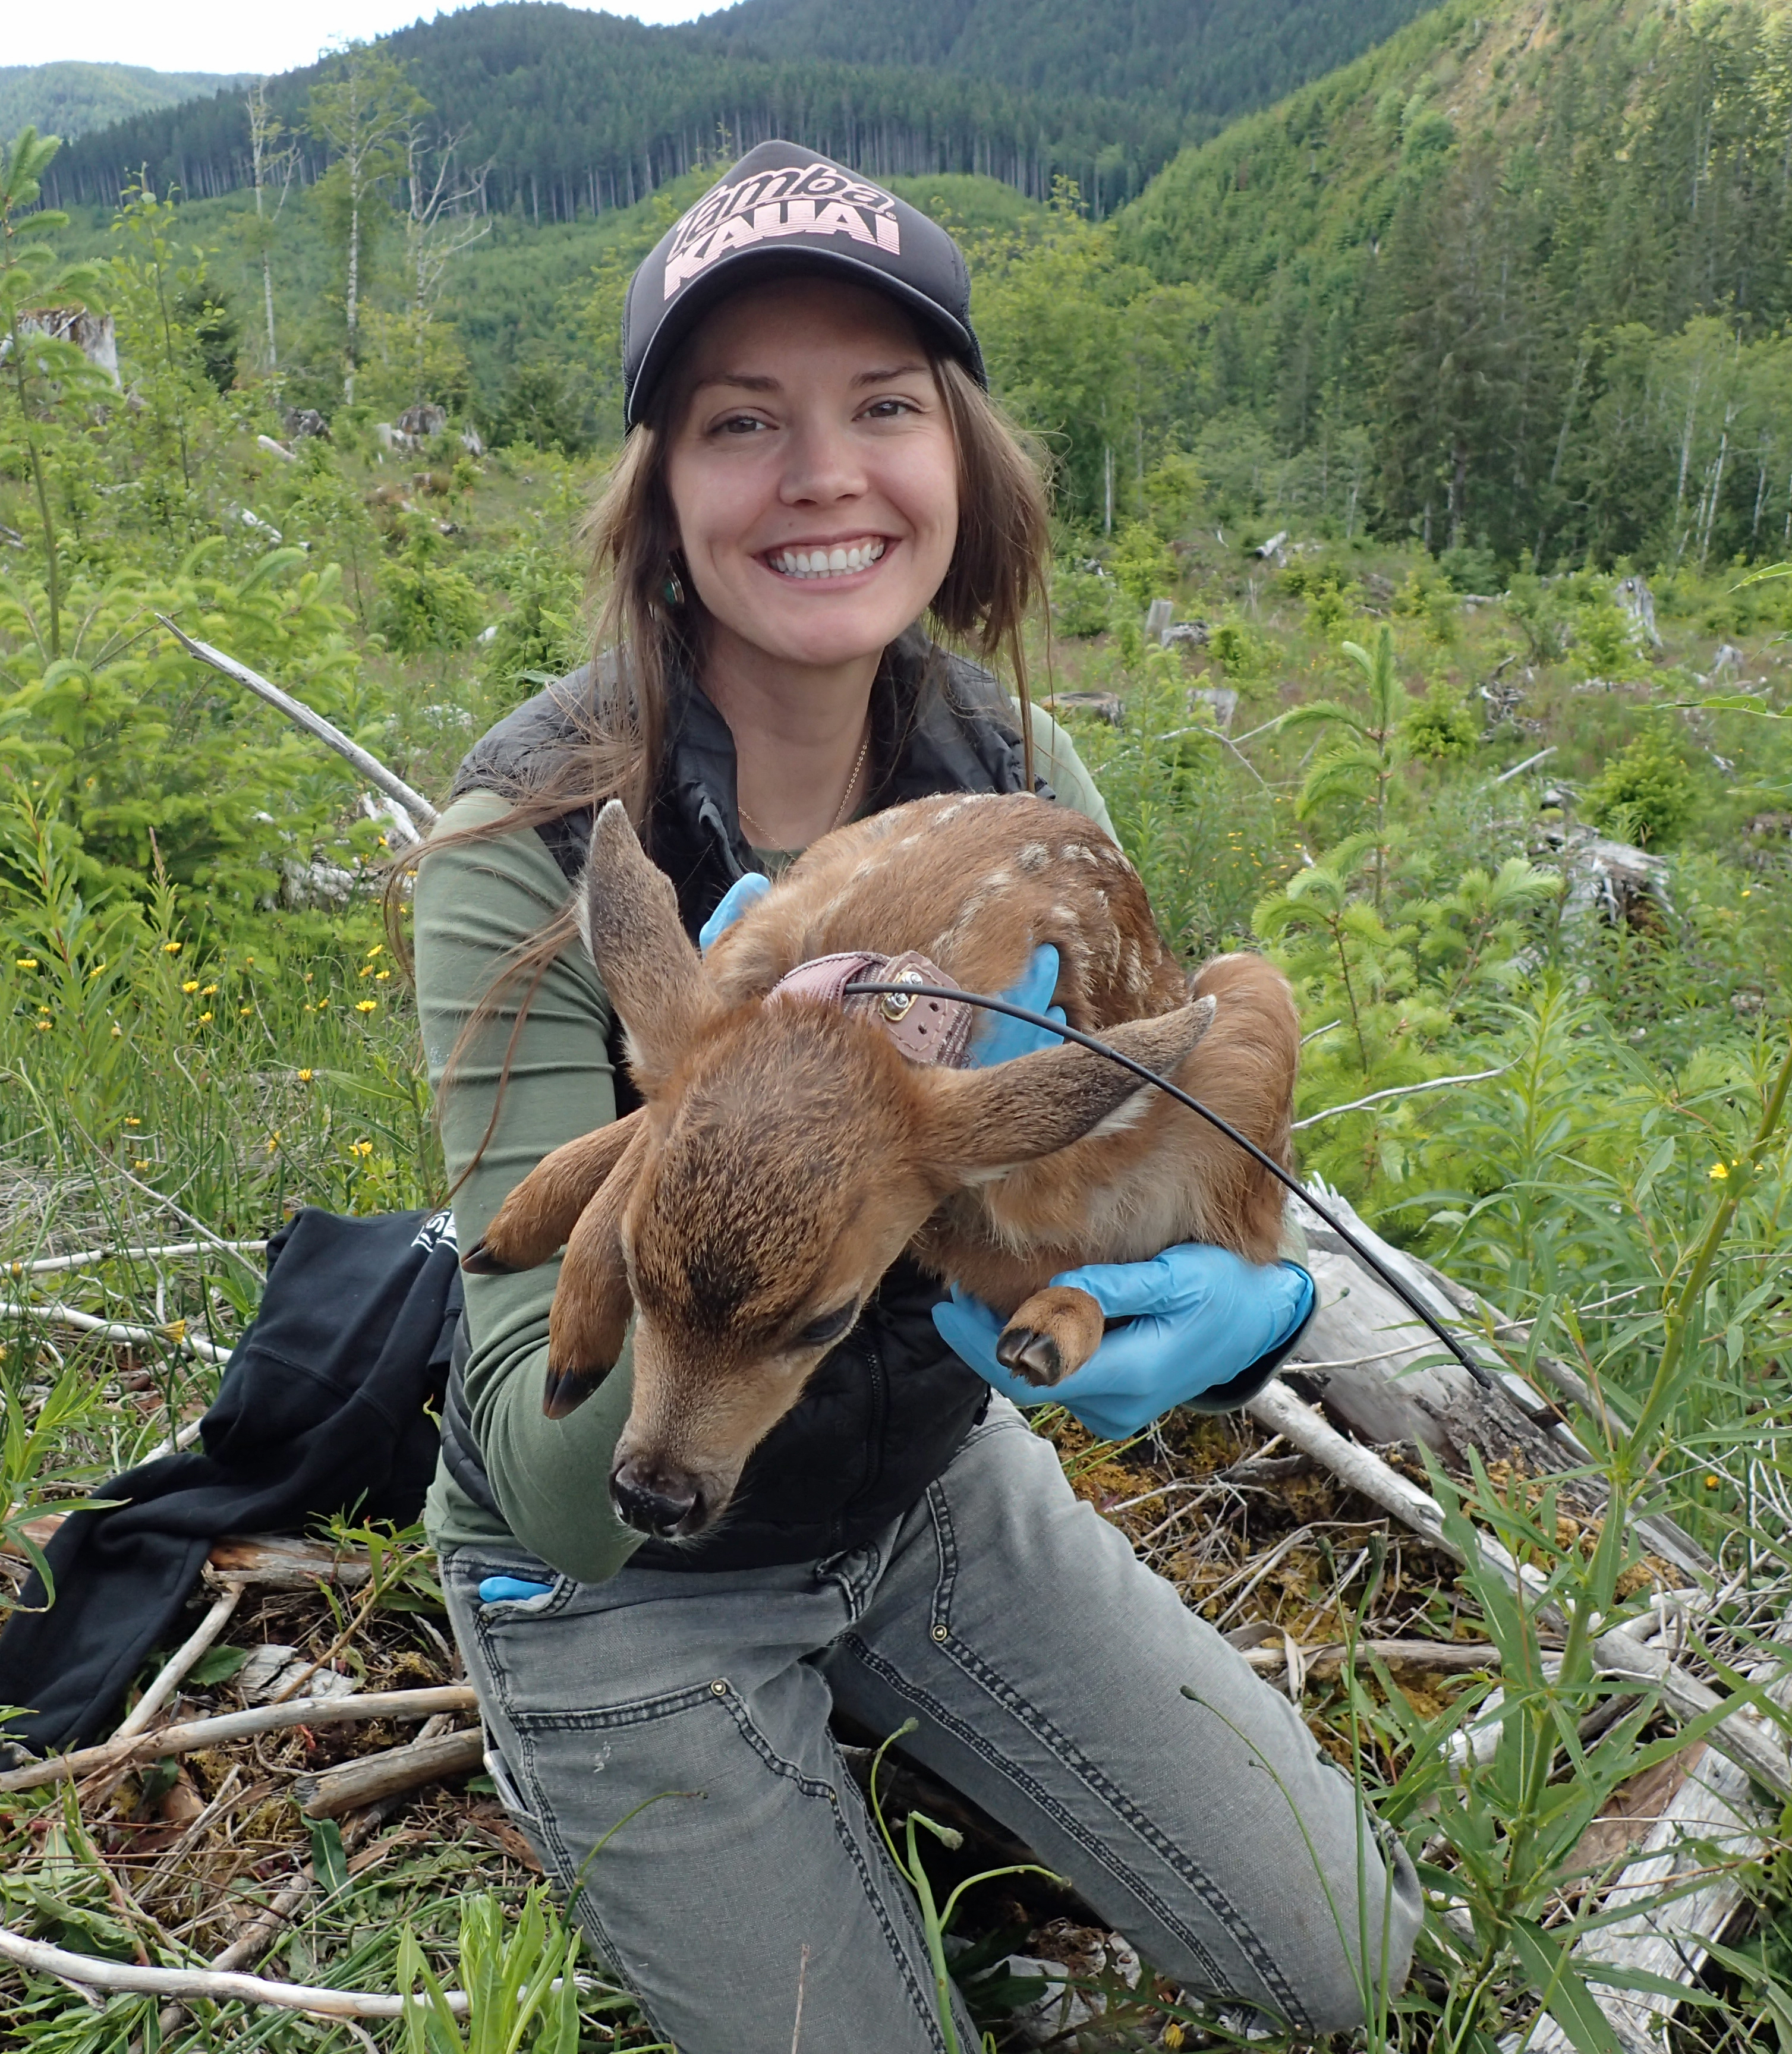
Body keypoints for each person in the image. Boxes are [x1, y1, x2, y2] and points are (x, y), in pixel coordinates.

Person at [409, 141, 1421, 2051]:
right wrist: (697, 1125)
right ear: (661, 488)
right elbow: (554, 1455)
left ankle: (894, 1753)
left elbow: (1136, 1156)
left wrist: (1243, 1305)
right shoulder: (531, 843)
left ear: (959, 457)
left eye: (883, 407)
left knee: (1350, 1962)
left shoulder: (1020, 799)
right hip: (616, 1579)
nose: (820, 474)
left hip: (937, 1491)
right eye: (740, 422)